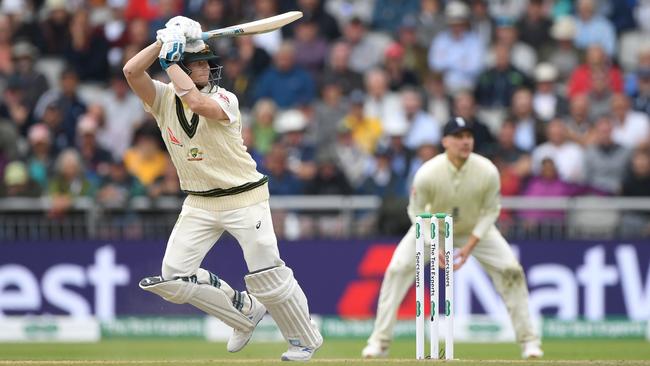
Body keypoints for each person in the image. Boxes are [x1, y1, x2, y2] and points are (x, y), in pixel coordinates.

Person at [122, 16, 322, 361]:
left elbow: (197, 104)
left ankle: (304, 338)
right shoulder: (162, 98)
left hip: (244, 197)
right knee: (173, 278)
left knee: (268, 276)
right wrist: (160, 43)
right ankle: (242, 311)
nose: (205, 68)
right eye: (196, 62)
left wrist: (170, 59)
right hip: (199, 202)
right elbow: (130, 72)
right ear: (183, 64)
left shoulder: (226, 99)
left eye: (206, 63)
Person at [361, 117, 543, 360]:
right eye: (458, 137)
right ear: (445, 141)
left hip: (474, 229)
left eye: (468, 136)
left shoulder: (487, 170)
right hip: (431, 228)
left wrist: (469, 247)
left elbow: (491, 211)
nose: (465, 141)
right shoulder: (427, 173)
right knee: (397, 270)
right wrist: (431, 243)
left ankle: (529, 342)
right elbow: (415, 211)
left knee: (511, 270)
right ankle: (379, 342)